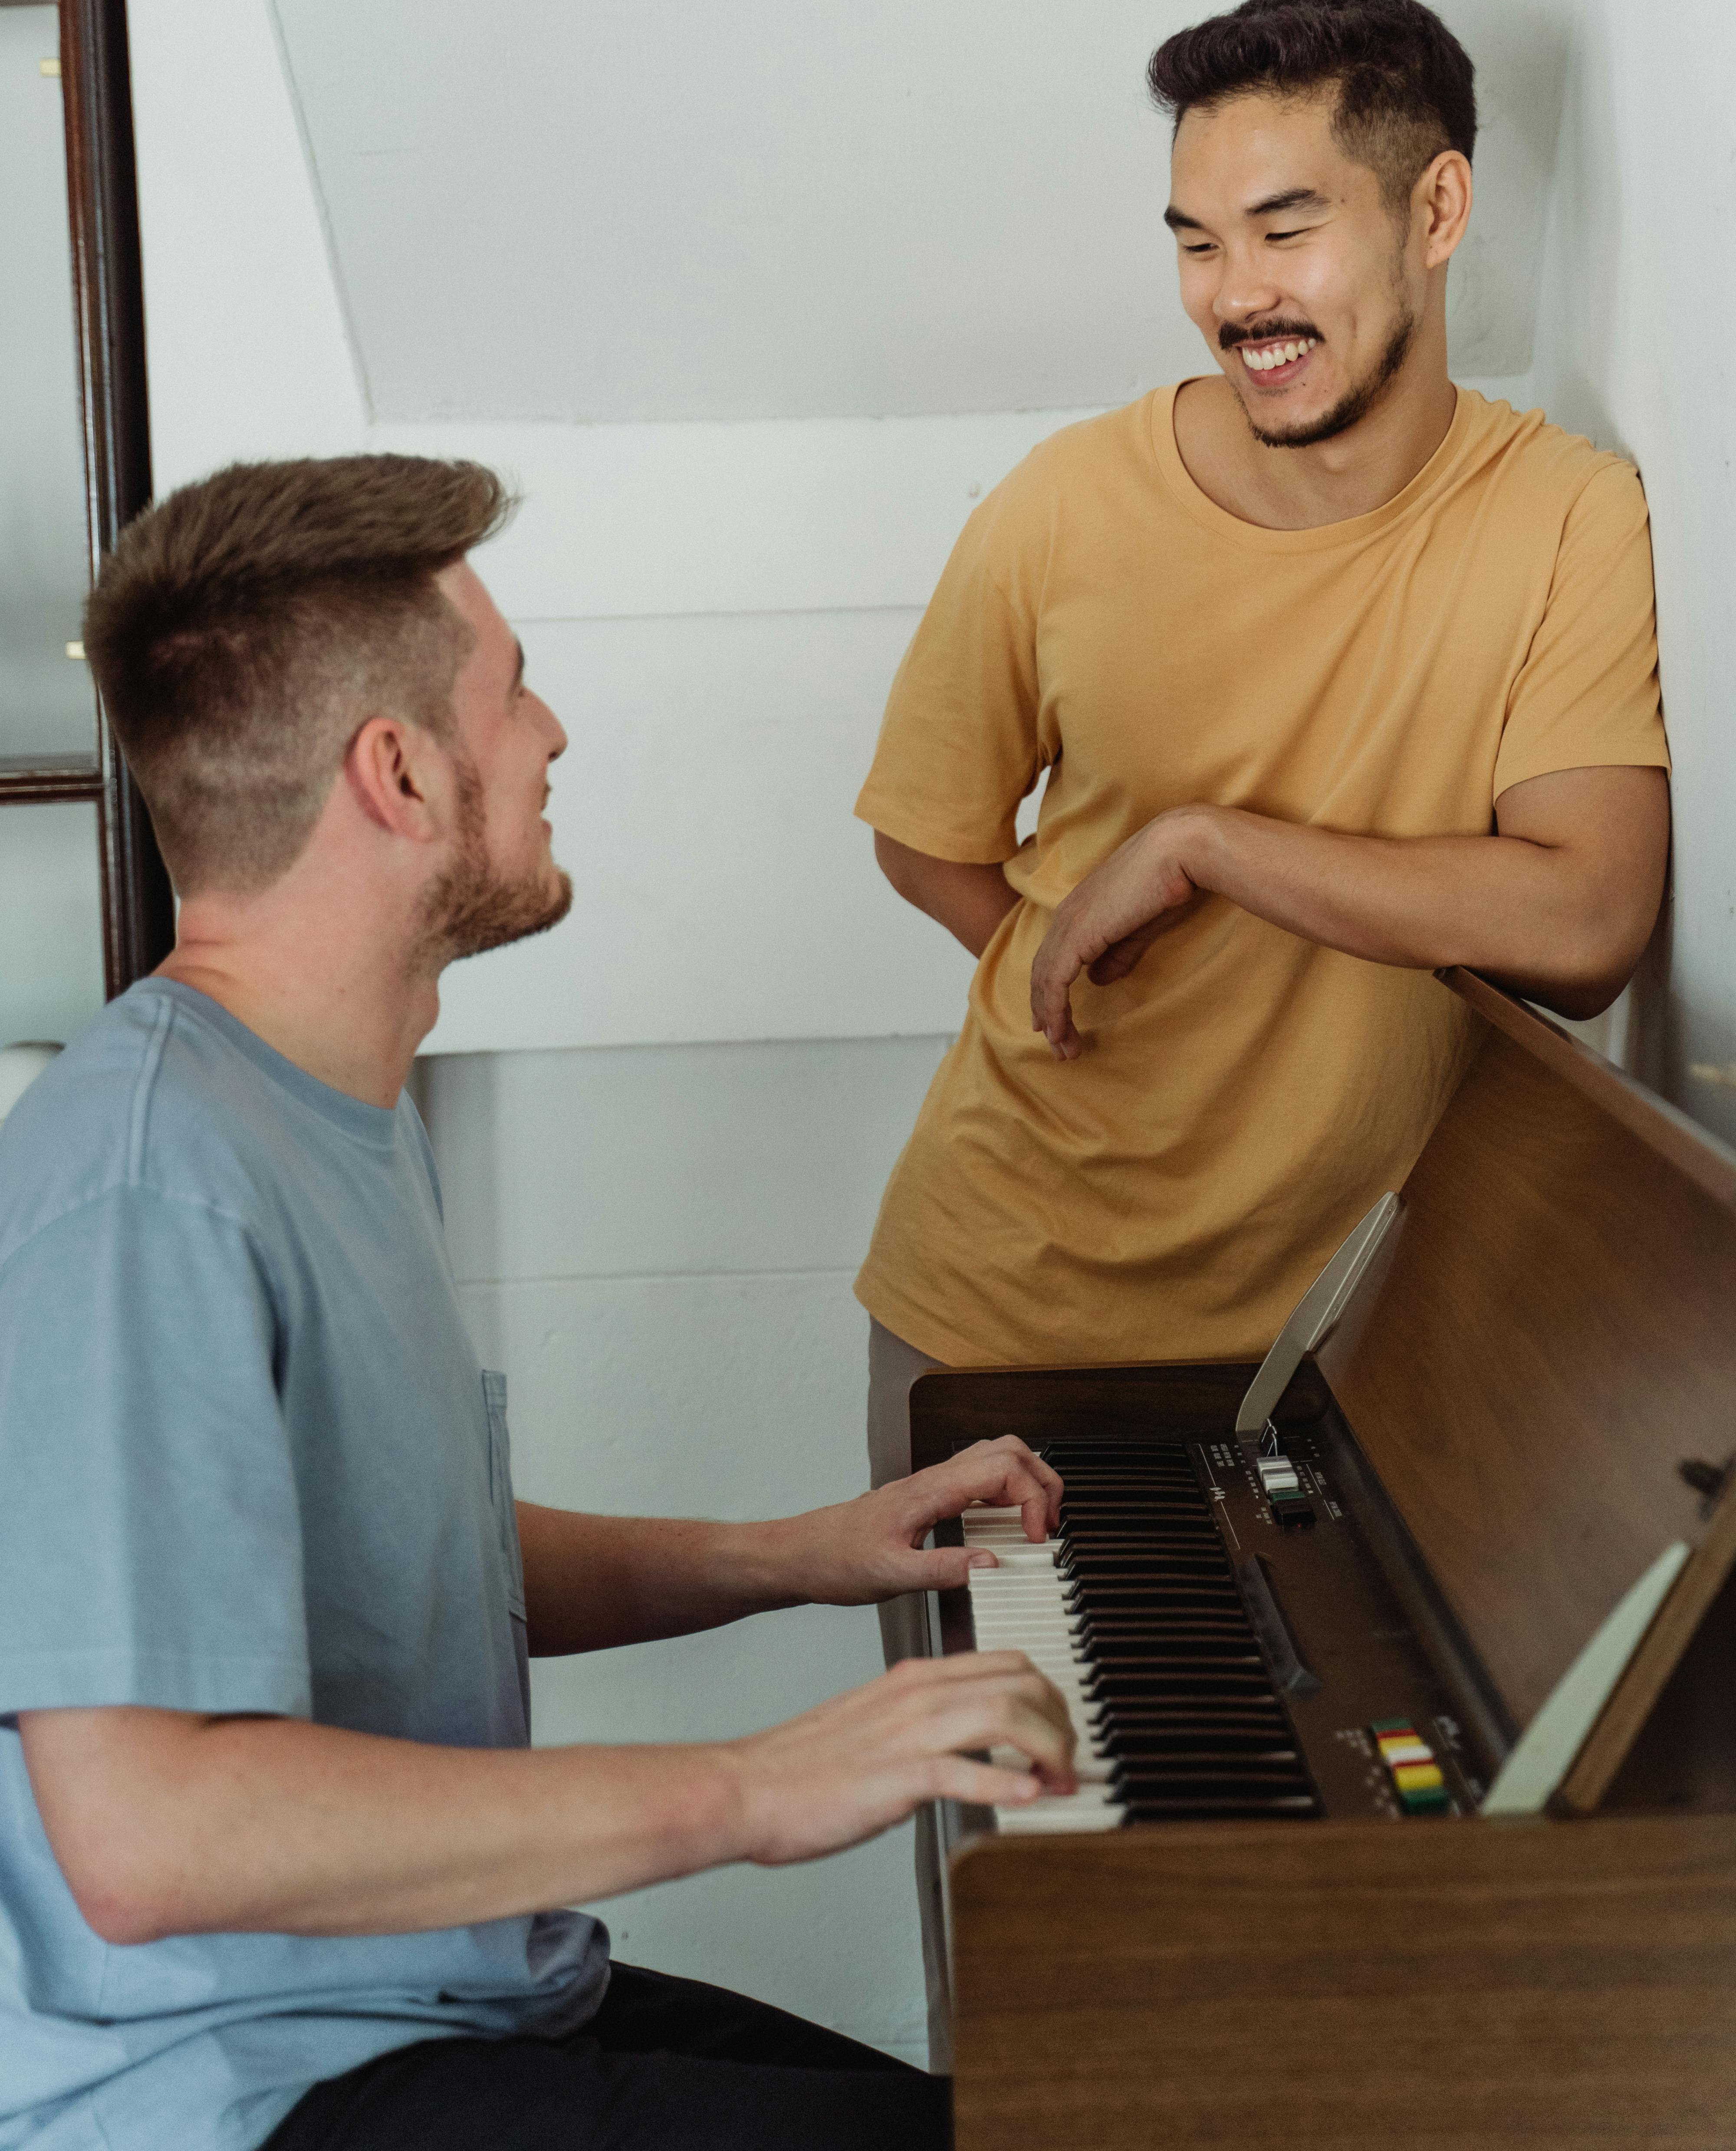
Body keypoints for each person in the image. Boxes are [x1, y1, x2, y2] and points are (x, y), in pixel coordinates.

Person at [0, 455, 1076, 2151]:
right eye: (514, 694)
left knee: (1061, 2114)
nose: (554, 735)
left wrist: (797, 1555)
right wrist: (758, 1786)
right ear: (402, 774)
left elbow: (404, 1564)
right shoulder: (146, 1182)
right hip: (244, 2094)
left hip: (439, 1997)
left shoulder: (328, 1105)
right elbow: (145, 1837)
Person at [855, 0, 1671, 2053]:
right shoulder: (1058, 507)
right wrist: (1090, 1001)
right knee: (1051, 1995)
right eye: (1198, 243)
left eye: (1287, 228)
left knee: (1330, 2012)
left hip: (1369, 1352)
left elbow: (1587, 921)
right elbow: (936, 843)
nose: (1235, 296)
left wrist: (1211, 849)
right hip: (1016, 1308)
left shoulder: (1564, 515)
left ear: (1439, 209)